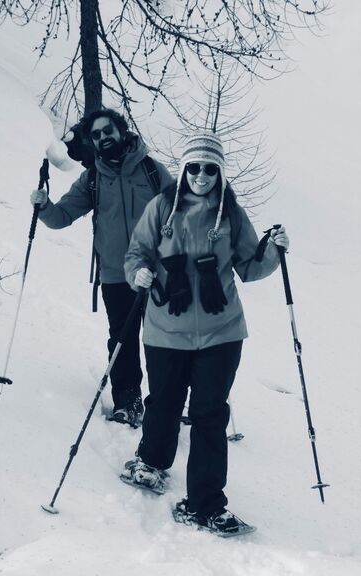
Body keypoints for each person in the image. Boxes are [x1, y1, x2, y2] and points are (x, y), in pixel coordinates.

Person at [120, 130, 289, 535]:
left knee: (210, 415)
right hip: (166, 329)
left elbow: (249, 266)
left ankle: (204, 504)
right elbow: (136, 253)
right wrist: (137, 272)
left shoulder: (231, 214)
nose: (201, 175)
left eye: (209, 169)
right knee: (163, 402)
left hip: (222, 332)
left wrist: (274, 251)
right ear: (184, 170)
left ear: (220, 172)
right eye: (193, 167)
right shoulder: (162, 207)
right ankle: (152, 462)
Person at [30, 109, 175, 427]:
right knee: (122, 339)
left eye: (107, 130)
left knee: (164, 340)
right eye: (95, 135)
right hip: (115, 274)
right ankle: (128, 401)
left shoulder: (151, 170)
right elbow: (62, 216)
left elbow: (181, 212)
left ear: (121, 130)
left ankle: (168, 402)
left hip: (157, 273)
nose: (103, 137)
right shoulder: (93, 178)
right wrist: (43, 207)